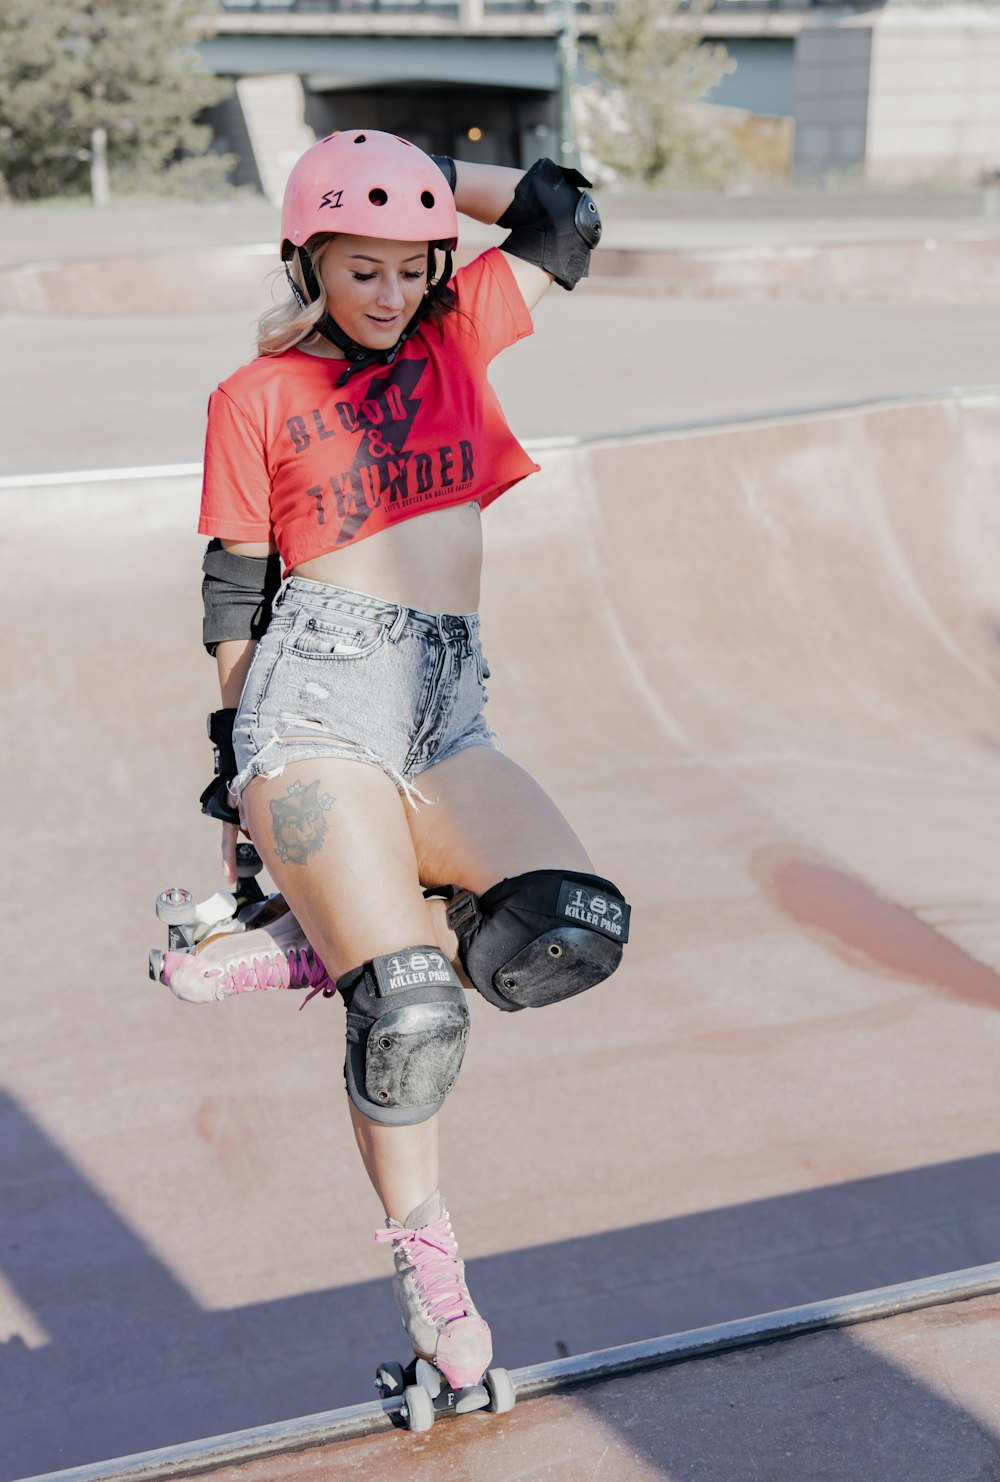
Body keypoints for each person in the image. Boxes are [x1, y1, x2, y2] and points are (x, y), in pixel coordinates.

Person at [171, 129, 631, 1396]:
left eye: (409, 262)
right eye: (356, 267)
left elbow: (562, 215)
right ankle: (432, 1269)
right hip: (312, 707)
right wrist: (233, 786)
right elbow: (229, 596)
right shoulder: (252, 397)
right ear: (307, 261)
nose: (386, 292)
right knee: (416, 1013)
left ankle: (319, 940)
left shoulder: (457, 330)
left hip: (444, 708)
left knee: (570, 928)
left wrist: (432, 177)